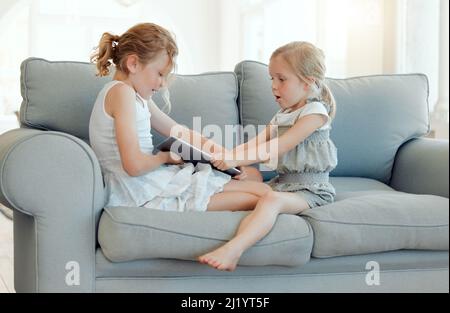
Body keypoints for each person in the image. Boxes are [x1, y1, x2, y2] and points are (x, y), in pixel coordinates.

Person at [89, 23, 271, 215]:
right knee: (263, 195)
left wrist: (228, 157)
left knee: (258, 183)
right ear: (133, 64)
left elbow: (180, 132)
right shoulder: (121, 94)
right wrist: (165, 157)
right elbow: (133, 166)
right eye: (160, 74)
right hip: (138, 191)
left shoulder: (135, 97)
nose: (162, 84)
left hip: (150, 183)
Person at [198, 41, 338, 271]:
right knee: (246, 174)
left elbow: (281, 145)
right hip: (282, 183)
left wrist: (235, 159)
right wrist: (224, 158)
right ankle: (191, 195)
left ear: (307, 82)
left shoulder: (315, 113)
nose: (274, 86)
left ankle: (233, 250)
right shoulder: (283, 114)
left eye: (281, 79)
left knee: (271, 200)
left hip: (311, 190)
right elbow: (255, 143)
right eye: (271, 78)